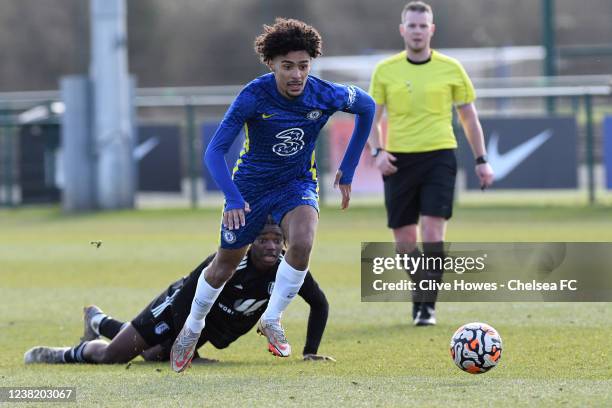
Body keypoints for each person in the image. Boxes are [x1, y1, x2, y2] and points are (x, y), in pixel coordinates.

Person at [170, 18, 374, 372]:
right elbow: (214, 152)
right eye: (287, 66)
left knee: (304, 240)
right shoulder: (253, 95)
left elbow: (367, 106)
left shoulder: (324, 93)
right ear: (271, 64)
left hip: (296, 183)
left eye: (304, 66)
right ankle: (193, 326)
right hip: (250, 188)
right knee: (224, 266)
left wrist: (349, 166)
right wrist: (233, 198)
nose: (297, 75)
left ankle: (272, 317)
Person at [24, 222, 335, 365]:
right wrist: (185, 347)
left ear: (284, 243)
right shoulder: (230, 261)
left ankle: (99, 321)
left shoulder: (288, 270)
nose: (270, 245)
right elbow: (187, 295)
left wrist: (309, 351)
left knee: (153, 353)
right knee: (115, 356)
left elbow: (319, 304)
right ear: (250, 242)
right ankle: (69, 351)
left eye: (276, 239)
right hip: (176, 308)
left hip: (204, 327)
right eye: (263, 239)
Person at [367, 1, 494, 326]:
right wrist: (378, 153)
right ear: (403, 30)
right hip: (399, 161)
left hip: (440, 156)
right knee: (404, 241)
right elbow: (371, 118)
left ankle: (427, 306)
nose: (418, 31)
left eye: (423, 25)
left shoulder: (451, 68)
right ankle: (421, 292)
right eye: (412, 25)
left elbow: (469, 117)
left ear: (431, 29)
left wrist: (481, 160)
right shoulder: (385, 70)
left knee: (434, 231)